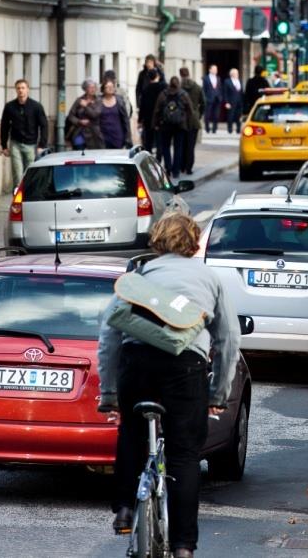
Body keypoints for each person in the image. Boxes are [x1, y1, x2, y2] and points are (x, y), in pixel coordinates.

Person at [97, 212, 241, 558]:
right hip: (185, 367)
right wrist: (218, 393)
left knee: (131, 433)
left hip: (138, 363)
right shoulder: (209, 279)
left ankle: (125, 511)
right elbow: (229, 339)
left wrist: (110, 394)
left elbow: (109, 335)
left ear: (157, 240)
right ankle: (183, 547)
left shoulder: (139, 277)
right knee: (184, 456)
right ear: (193, 243)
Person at [0, 79, 48, 186]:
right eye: (18, 88)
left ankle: (28, 198)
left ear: (27, 90)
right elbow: (4, 126)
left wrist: (42, 144)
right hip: (15, 143)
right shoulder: (10, 107)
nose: (21, 90)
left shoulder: (36, 106)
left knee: (29, 173)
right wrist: (4, 145)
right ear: (16, 90)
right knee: (17, 174)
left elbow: (44, 125)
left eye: (23, 88)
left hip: (31, 144)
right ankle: (18, 199)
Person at [153, 76, 191, 181]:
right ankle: (176, 171)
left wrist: (155, 123)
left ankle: (168, 168)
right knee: (178, 148)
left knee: (166, 146)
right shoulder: (184, 95)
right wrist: (186, 122)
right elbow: (190, 110)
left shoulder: (163, 94)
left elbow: (157, 110)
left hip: (165, 125)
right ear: (178, 83)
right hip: (180, 125)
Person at [179, 67, 204, 176]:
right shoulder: (197, 87)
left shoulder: (178, 87)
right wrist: (199, 115)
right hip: (194, 119)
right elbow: (203, 103)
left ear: (180, 75)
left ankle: (182, 166)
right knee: (190, 146)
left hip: (181, 120)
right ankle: (189, 168)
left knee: (181, 145)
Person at [65, 79, 103, 149]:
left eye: (94, 87)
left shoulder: (99, 100)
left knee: (94, 154)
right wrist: (79, 121)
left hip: (94, 133)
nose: (93, 89)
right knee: (79, 149)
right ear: (85, 89)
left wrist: (86, 106)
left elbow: (95, 114)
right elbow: (71, 115)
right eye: (90, 87)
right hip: (80, 131)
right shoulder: (79, 100)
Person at [138, 68, 166, 155]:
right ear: (157, 76)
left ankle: (148, 157)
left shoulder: (146, 90)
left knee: (148, 141)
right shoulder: (163, 87)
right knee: (159, 141)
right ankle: (159, 158)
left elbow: (142, 106)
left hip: (148, 118)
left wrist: (140, 119)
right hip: (160, 118)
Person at [99, 77, 132, 149]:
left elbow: (125, 120)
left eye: (112, 87)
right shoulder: (98, 101)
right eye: (108, 87)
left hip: (117, 136)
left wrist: (128, 137)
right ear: (103, 89)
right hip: (103, 137)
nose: (110, 88)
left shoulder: (119, 100)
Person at [222, 68, 244, 134]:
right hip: (231, 102)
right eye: (236, 73)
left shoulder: (240, 81)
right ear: (232, 74)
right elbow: (225, 92)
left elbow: (241, 92)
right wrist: (226, 102)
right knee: (230, 116)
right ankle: (230, 129)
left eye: (237, 73)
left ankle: (238, 129)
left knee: (239, 116)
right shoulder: (227, 81)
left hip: (239, 102)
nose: (237, 74)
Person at [202, 64, 222, 134]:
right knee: (207, 114)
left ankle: (214, 128)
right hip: (209, 99)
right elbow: (203, 89)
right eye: (214, 69)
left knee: (216, 115)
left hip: (217, 99)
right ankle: (207, 128)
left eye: (216, 69)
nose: (215, 70)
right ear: (210, 70)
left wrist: (220, 97)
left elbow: (220, 88)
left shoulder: (218, 78)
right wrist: (204, 98)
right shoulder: (205, 78)